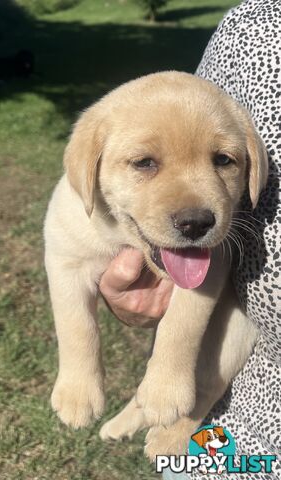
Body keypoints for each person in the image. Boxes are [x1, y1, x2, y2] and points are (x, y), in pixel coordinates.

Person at [100, 0, 281, 478]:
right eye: (146, 163)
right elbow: (177, 117)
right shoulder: (258, 29)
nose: (198, 206)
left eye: (224, 160)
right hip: (242, 430)